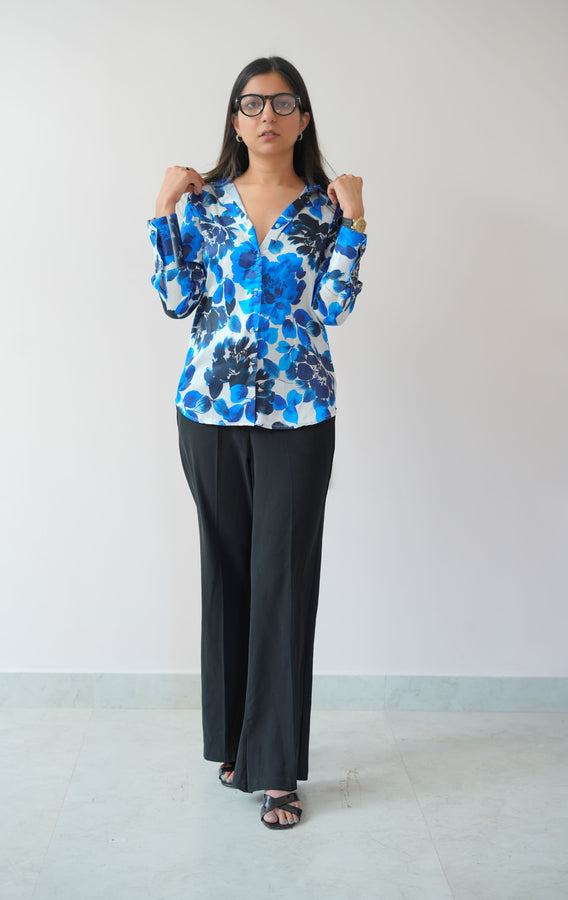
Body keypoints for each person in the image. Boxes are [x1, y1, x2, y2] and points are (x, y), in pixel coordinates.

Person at [147, 56, 366, 830]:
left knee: (283, 581)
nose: (266, 114)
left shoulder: (325, 207)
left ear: (303, 118)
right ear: (235, 119)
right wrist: (163, 212)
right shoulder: (203, 204)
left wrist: (359, 222)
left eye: (282, 102)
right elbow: (178, 300)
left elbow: (336, 305)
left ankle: (275, 768)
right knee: (228, 577)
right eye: (251, 103)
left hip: (300, 417)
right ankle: (236, 742)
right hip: (206, 409)